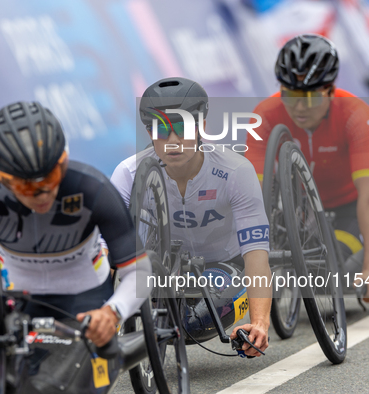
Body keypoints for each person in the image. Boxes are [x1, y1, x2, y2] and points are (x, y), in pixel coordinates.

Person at [0, 101, 151, 358]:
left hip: (84, 293)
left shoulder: (92, 188)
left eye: (51, 178)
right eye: (25, 187)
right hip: (18, 296)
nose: (41, 194)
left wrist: (113, 312)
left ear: (63, 161)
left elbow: (139, 272)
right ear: (1, 178)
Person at [111, 77, 272, 357]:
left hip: (224, 265)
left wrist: (259, 322)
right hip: (165, 269)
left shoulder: (235, 171)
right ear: (150, 132)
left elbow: (256, 255)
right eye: (162, 129)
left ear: (202, 127)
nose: (172, 141)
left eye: (182, 128)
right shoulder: (128, 174)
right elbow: (105, 249)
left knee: (190, 323)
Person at [245, 34, 369, 302]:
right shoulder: (265, 114)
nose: (298, 107)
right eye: (290, 95)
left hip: (348, 209)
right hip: (299, 212)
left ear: (330, 91)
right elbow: (253, 192)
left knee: (327, 277)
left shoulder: (355, 113)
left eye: (309, 98)